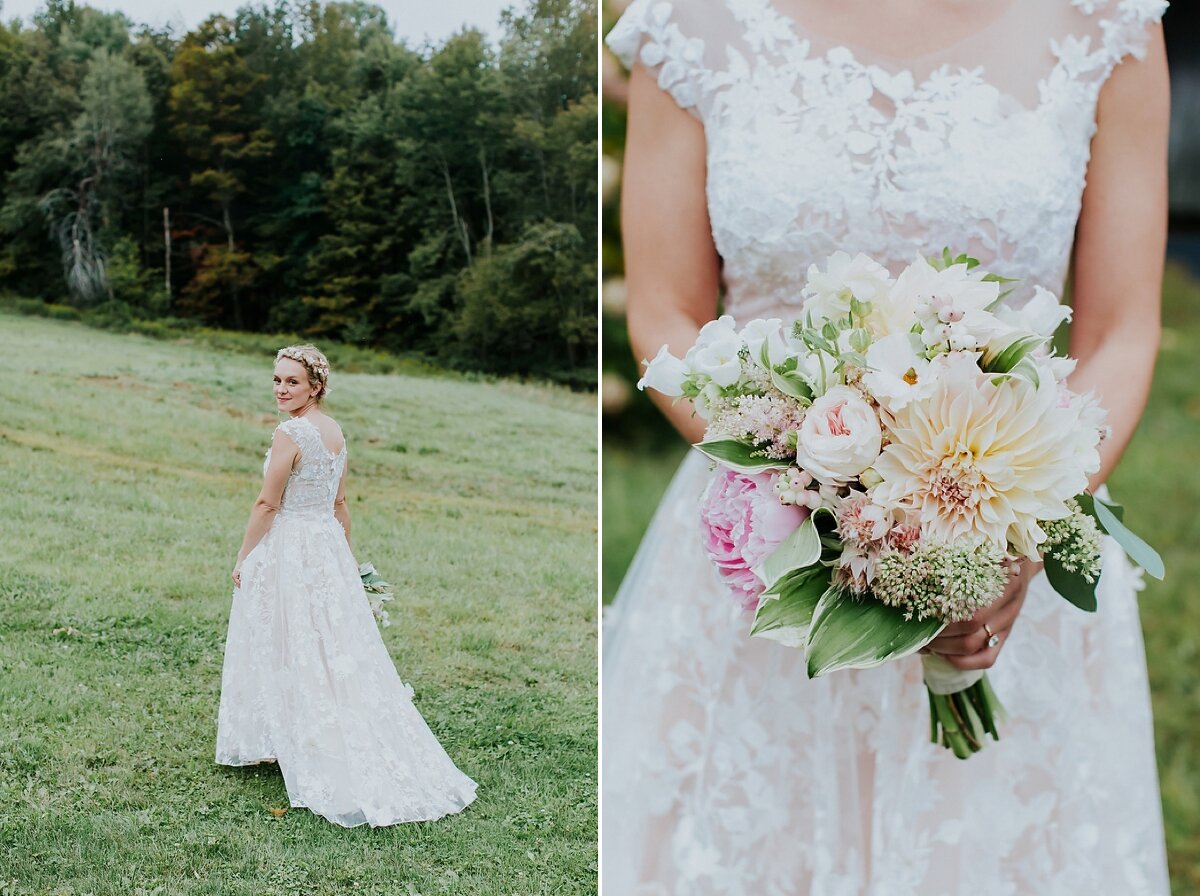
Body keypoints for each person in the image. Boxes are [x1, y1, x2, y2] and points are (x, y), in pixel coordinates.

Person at [603, 0, 1170, 892]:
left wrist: (1015, 535)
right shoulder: (688, 22)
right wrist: (814, 494)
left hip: (1011, 533)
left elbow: (1124, 328)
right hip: (770, 544)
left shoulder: (1108, 20)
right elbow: (665, 314)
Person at [216, 344, 477, 827]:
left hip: (292, 544)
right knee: (326, 645)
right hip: (325, 544)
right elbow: (340, 503)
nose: (280, 389)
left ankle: (302, 740)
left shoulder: (290, 433)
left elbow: (266, 504)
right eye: (276, 380)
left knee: (289, 639)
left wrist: (244, 556)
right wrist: (344, 558)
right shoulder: (334, 432)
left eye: (291, 382)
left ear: (315, 386)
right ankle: (294, 735)